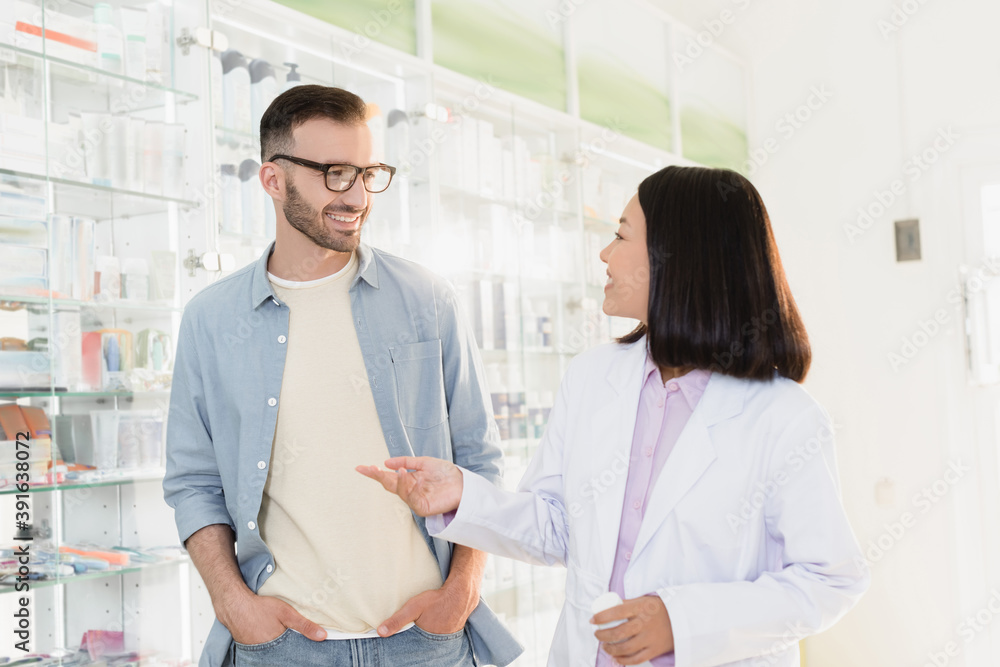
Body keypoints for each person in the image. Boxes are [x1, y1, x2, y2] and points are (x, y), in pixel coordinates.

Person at [359, 165, 871, 667]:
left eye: (621, 237)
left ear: (679, 257)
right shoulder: (593, 377)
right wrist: (462, 495)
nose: (605, 254)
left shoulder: (782, 417)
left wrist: (682, 620)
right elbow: (559, 528)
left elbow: (830, 580)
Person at [163, 85, 522, 667]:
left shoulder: (426, 299)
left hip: (424, 641)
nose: (356, 196)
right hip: (280, 647)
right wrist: (234, 605)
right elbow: (193, 483)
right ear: (273, 179)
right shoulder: (212, 320)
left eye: (367, 173)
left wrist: (462, 591)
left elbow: (478, 458)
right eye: (335, 174)